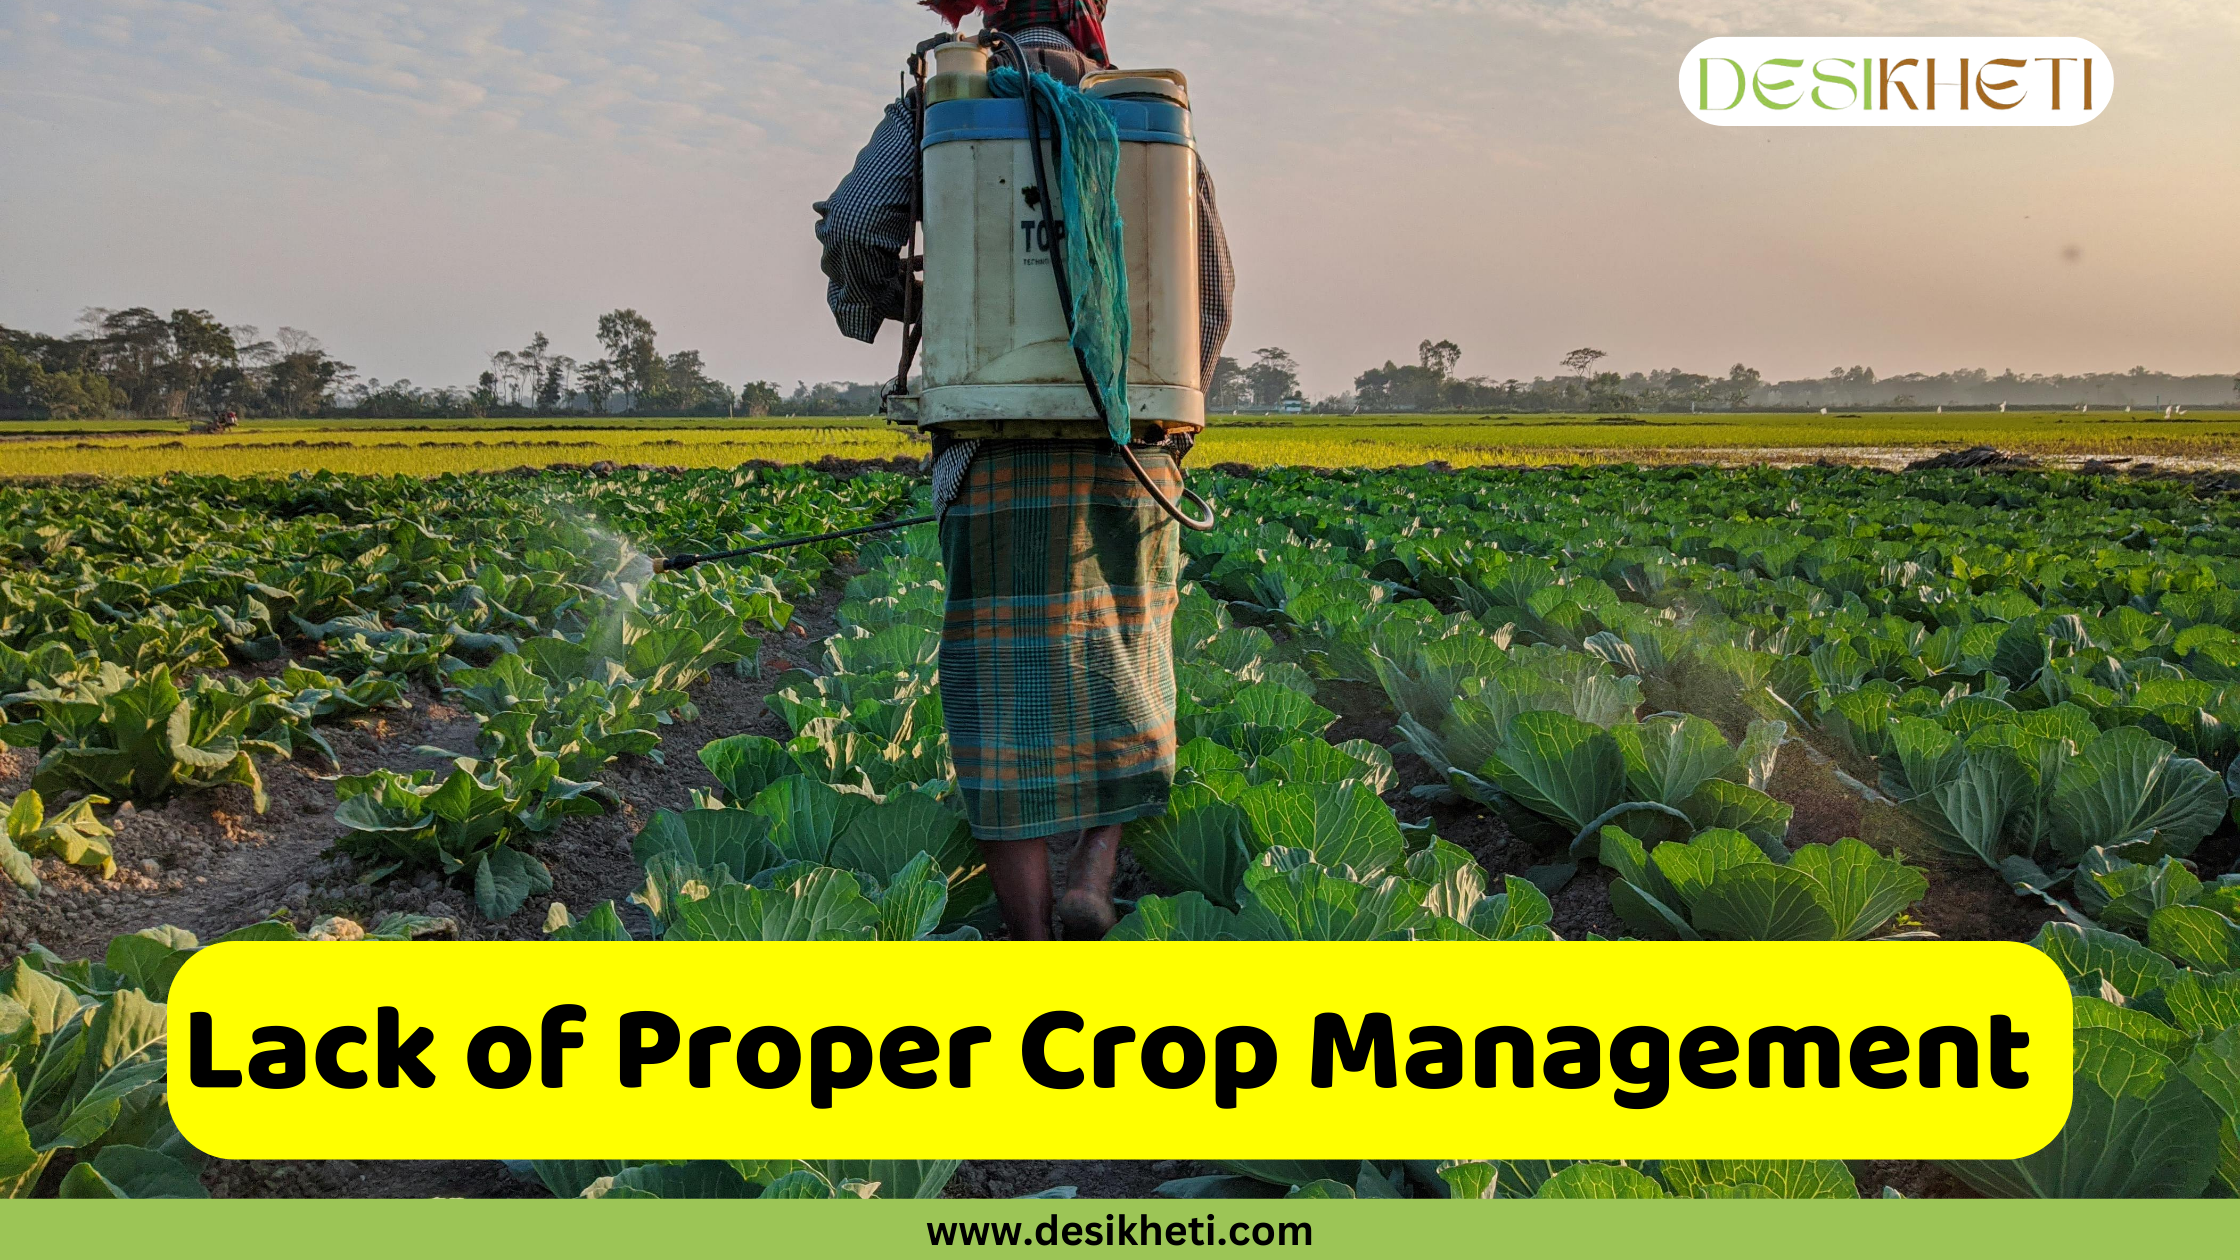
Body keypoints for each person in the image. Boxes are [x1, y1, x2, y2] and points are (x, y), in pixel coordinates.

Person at [814, 0, 1234, 940]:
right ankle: (1093, 867)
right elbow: (1211, 288)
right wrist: (1169, 421)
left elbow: (851, 226)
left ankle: (1034, 941)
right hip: (1132, 445)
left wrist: (906, 296)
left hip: (991, 447)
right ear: (1089, 16)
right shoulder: (1143, 111)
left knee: (1000, 702)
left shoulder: (944, 97)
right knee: (1131, 668)